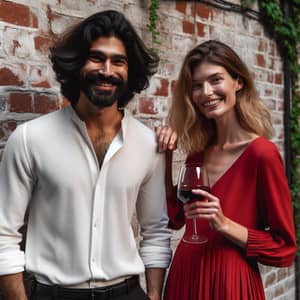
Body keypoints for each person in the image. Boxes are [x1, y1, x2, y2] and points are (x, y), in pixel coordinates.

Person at [0, 10, 172, 300]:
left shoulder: (147, 144)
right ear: (77, 63)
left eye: (118, 61)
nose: (107, 70)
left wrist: (154, 295)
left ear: (131, 72)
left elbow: (155, 230)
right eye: (96, 57)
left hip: (127, 293)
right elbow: (3, 234)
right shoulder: (30, 139)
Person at [156, 40, 296, 300]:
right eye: (197, 86)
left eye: (215, 80)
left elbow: (284, 249)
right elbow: (176, 219)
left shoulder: (261, 154)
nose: (206, 92)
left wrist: (224, 224)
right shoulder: (198, 151)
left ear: (238, 82)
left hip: (230, 282)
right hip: (184, 276)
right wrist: (166, 156)